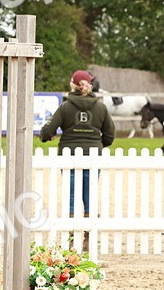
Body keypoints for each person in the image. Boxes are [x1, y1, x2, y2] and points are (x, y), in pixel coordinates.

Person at [39, 70, 116, 224]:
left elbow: (48, 130)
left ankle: (72, 227)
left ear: (73, 86)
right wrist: (99, 144)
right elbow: (110, 135)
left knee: (71, 192)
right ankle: (89, 226)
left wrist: (46, 137)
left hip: (69, 154)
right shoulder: (101, 108)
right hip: (93, 155)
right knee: (90, 192)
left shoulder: (65, 107)